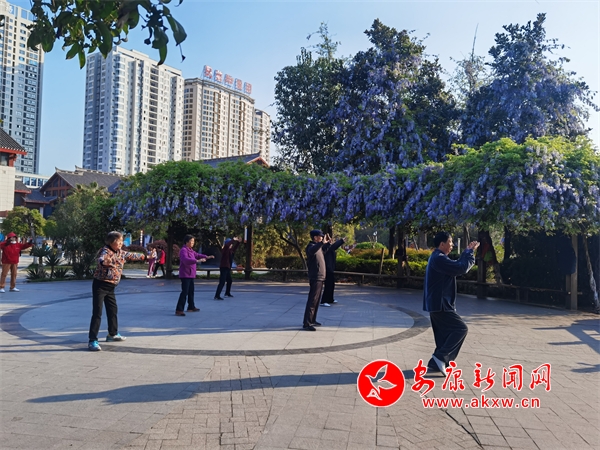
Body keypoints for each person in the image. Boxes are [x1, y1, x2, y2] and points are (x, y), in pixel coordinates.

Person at [423, 231, 479, 373]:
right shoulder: (439, 258)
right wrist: (469, 253)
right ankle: (440, 357)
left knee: (444, 335)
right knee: (460, 329)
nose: (452, 245)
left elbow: (457, 265)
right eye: (450, 242)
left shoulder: (438, 257)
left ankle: (436, 363)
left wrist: (466, 252)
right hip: (441, 304)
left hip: (437, 303)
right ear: (442, 244)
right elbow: (461, 268)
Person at [88, 231, 145, 351]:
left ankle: (112, 334)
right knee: (97, 313)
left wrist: (146, 256)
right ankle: (92, 340)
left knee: (113, 310)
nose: (121, 243)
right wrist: (105, 262)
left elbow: (131, 255)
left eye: (121, 241)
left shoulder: (120, 252)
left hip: (111, 287)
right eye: (119, 241)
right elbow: (101, 259)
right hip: (100, 285)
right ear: (112, 242)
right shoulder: (105, 251)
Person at [176, 235, 215, 316]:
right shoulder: (183, 250)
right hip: (185, 274)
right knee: (185, 292)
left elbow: (197, 255)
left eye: (193, 241)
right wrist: (197, 261)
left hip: (191, 274)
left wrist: (206, 257)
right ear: (187, 242)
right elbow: (185, 260)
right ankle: (179, 309)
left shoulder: (190, 250)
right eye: (191, 241)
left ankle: (191, 306)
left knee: (191, 291)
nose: (193, 243)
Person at [302, 229, 331, 331]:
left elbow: (326, 250)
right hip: (315, 277)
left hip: (320, 277)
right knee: (312, 300)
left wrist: (329, 243)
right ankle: (307, 323)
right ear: (315, 237)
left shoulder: (319, 247)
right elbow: (312, 250)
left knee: (317, 301)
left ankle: (312, 319)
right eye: (320, 236)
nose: (322, 238)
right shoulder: (311, 247)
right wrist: (322, 243)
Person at [320, 234, 345, 306]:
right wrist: (341, 241)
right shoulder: (325, 247)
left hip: (330, 268)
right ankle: (324, 301)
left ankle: (330, 299)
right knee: (328, 285)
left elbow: (333, 247)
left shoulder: (328, 247)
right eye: (329, 239)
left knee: (331, 285)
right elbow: (334, 246)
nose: (331, 240)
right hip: (327, 269)